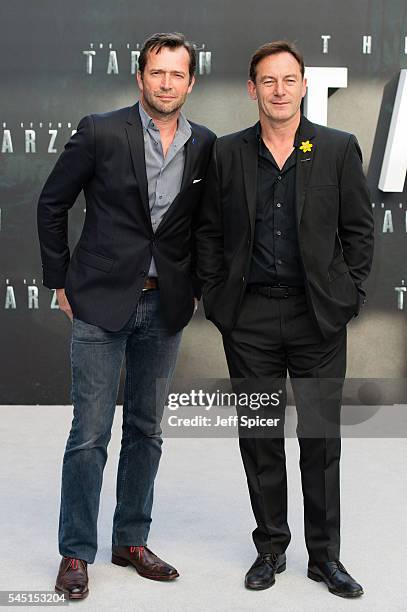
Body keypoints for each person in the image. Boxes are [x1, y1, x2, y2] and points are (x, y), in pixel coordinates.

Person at [37, 31, 215, 600]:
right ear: (140, 77)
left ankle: (131, 540)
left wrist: (194, 288)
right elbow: (52, 203)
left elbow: (203, 227)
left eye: (177, 74)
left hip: (164, 307)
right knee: (89, 434)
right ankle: (75, 552)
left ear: (191, 81)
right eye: (157, 73)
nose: (167, 83)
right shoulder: (100, 130)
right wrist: (60, 280)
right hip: (100, 300)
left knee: (147, 430)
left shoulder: (204, 144)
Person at [196, 40, 373, 598]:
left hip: (317, 317)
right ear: (253, 89)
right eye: (267, 81)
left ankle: (324, 558)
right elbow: (207, 233)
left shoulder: (338, 148)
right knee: (260, 435)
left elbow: (360, 234)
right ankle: (270, 548)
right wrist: (217, 300)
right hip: (247, 320)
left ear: (303, 85)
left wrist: (348, 296)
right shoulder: (226, 153)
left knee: (320, 439)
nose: (278, 90)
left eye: (288, 80)